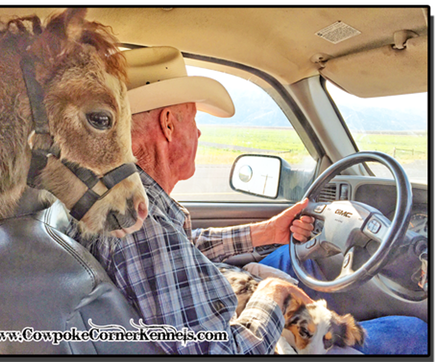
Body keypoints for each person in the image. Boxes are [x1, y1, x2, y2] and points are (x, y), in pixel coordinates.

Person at [69, 46, 427, 354]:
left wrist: (266, 231)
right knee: (415, 331)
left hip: (224, 294)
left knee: (291, 253)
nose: (198, 131)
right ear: (167, 124)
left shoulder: (138, 206)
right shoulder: (139, 224)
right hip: (246, 330)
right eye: (192, 119)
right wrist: (273, 295)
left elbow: (181, 253)